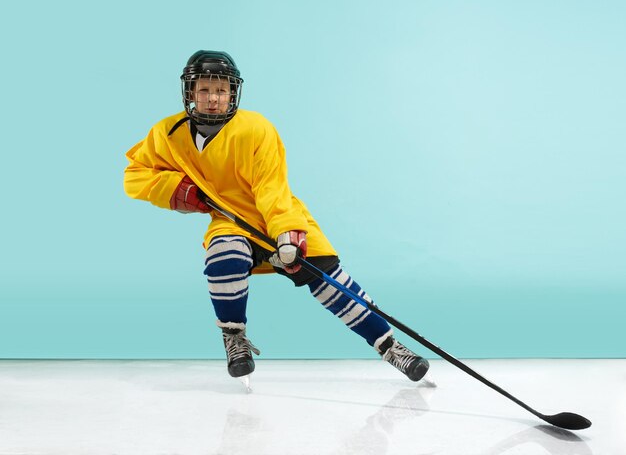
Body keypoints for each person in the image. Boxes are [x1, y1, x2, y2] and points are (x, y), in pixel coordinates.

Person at [123, 50, 429, 382]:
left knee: (330, 282)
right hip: (228, 219)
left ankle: (390, 346)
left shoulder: (256, 128)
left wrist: (286, 232)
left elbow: (271, 186)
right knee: (223, 255)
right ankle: (234, 338)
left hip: (275, 215)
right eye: (205, 90)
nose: (213, 98)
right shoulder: (167, 133)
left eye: (221, 90)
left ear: (232, 93)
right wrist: (175, 188)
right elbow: (135, 174)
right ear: (191, 93)